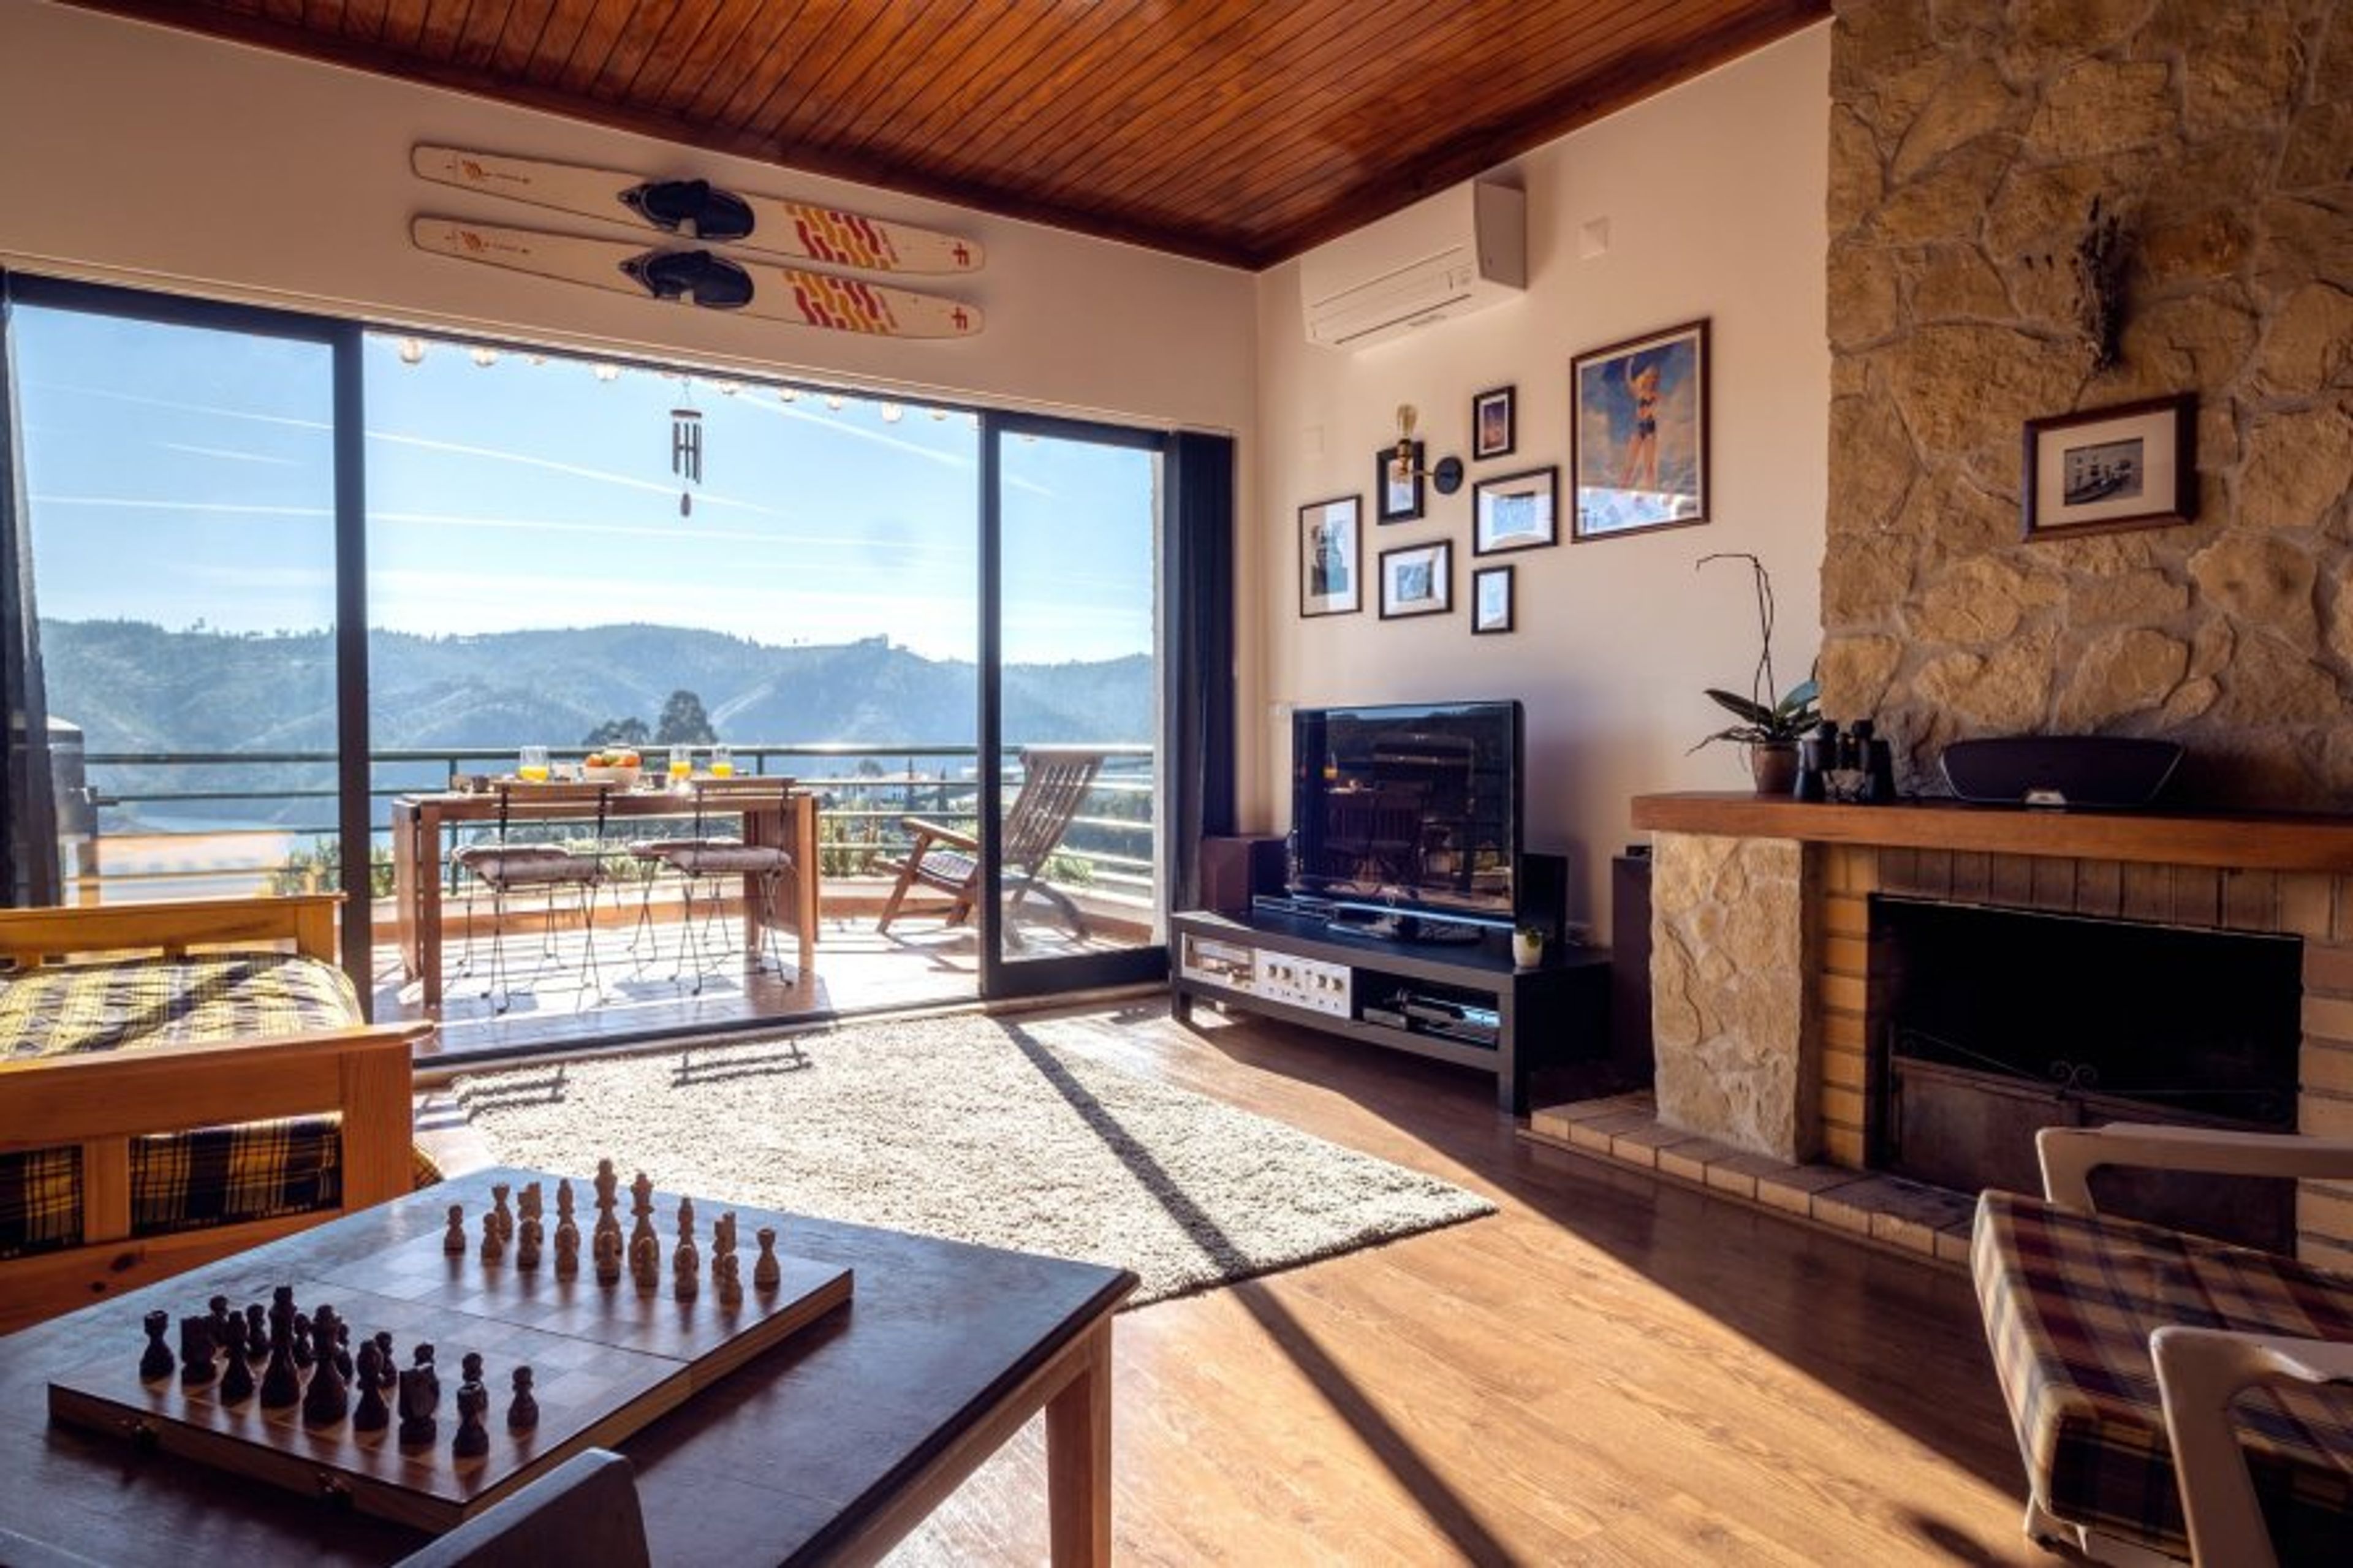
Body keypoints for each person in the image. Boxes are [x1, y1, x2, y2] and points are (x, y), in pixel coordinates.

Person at [1617, 355, 1662, 491]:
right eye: (1648, 376)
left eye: (1653, 377)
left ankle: (1652, 492)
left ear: (1655, 379)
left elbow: (1651, 411)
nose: (1650, 379)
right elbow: (1629, 381)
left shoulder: (1656, 395)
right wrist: (1629, 366)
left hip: (1650, 427)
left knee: (1649, 466)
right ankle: (1621, 490)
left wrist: (1649, 410)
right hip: (1639, 427)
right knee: (1629, 465)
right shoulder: (1639, 392)